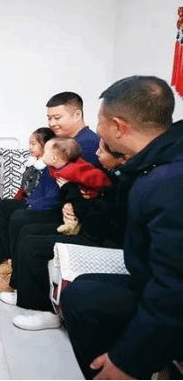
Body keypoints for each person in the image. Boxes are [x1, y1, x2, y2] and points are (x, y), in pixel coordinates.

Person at [61, 75, 183, 380]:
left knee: (83, 300)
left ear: (118, 126)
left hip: (170, 295)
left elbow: (175, 286)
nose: (97, 130)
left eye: (100, 120)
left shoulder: (170, 182)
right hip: (150, 275)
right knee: (82, 288)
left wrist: (127, 360)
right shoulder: (159, 159)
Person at [0, 139, 129, 331]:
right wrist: (71, 205)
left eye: (102, 151)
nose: (96, 154)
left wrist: (73, 198)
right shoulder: (110, 174)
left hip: (99, 237)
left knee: (32, 245)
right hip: (87, 225)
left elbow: (97, 221)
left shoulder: (114, 181)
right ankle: (23, 291)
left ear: (121, 157)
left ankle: (45, 311)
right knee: (26, 232)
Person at [0, 92, 101, 292]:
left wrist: (35, 205)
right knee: (5, 206)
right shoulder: (64, 140)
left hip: (63, 208)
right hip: (51, 200)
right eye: (49, 118)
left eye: (57, 117)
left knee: (19, 218)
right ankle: (10, 262)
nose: (52, 123)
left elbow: (71, 186)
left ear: (77, 115)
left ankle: (17, 276)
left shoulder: (85, 143)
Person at [0, 127, 55, 277]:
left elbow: (42, 195)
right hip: (27, 201)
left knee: (5, 208)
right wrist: (14, 202)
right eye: (29, 144)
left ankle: (8, 257)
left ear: (45, 145)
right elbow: (23, 188)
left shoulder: (48, 166)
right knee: (4, 207)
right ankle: (4, 257)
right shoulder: (32, 163)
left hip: (37, 205)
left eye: (33, 144)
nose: (30, 147)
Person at [43, 137, 111, 235]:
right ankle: (71, 225)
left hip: (90, 195)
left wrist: (103, 186)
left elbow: (95, 175)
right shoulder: (55, 168)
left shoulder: (74, 170)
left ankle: (72, 227)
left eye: (44, 152)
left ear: (53, 159)